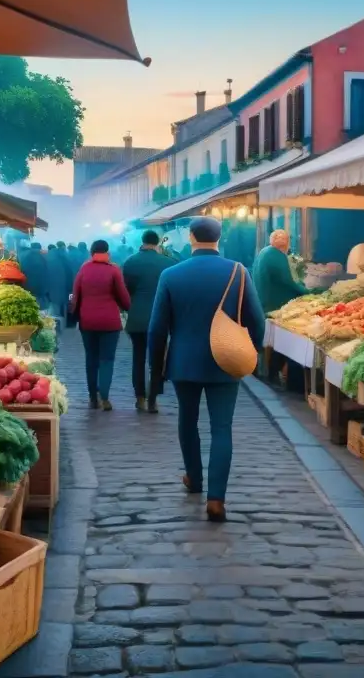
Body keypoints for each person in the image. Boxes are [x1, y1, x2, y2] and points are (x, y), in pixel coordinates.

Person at [148, 216, 265, 522]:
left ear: (190, 237)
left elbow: (157, 328)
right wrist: (253, 351)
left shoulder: (171, 274)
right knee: (222, 428)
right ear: (219, 237)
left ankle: (194, 478)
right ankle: (216, 498)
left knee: (187, 421)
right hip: (225, 359)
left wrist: (156, 370)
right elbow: (257, 319)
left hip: (183, 361)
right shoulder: (238, 272)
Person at [70, 240, 130, 411]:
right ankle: (104, 396)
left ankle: (92, 397)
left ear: (91, 252)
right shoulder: (114, 270)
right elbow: (123, 296)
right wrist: (127, 307)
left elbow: (75, 296)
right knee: (107, 359)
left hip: (87, 321)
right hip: (110, 322)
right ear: (107, 252)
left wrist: (74, 315)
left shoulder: (83, 270)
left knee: (91, 358)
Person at [122, 230, 176, 412]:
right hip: (160, 318)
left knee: (138, 358)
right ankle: (153, 398)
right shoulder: (168, 263)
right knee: (157, 360)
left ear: (142, 241)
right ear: (158, 242)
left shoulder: (130, 262)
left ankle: (140, 397)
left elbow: (126, 290)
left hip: (137, 317)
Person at [252, 229, 309, 388]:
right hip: (276, 306)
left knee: (277, 342)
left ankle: (270, 373)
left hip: (265, 304)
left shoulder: (265, 252)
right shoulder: (275, 256)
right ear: (286, 244)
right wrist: (309, 292)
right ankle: (279, 377)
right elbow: (288, 282)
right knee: (284, 342)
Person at [46, 241, 73, 323]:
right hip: (66, 286)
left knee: (55, 305)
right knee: (66, 302)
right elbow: (70, 272)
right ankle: (67, 321)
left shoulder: (48, 258)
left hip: (53, 286)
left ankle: (58, 322)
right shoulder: (65, 258)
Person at [20, 242, 50, 308]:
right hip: (41, 285)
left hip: (27, 283)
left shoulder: (24, 255)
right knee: (42, 306)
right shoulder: (44, 255)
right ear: (39, 247)